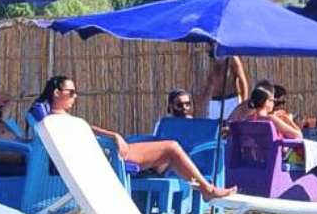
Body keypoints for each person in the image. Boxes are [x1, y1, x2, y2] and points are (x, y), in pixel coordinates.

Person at [35, 75, 234, 199]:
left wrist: (114, 135)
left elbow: (87, 129)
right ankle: (207, 190)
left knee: (168, 152)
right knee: (172, 148)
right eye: (71, 92)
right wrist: (113, 138)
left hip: (106, 151)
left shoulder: (57, 118)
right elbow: (82, 139)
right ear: (56, 93)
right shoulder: (54, 121)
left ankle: (196, 185)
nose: (75, 96)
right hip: (107, 157)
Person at [233, 86, 317, 202]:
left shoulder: (248, 120)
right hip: (282, 160)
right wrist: (287, 120)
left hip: (260, 160)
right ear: (265, 102)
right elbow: (298, 135)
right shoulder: (271, 119)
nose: (274, 103)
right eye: (272, 100)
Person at [197, 54, 248, 120]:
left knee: (231, 127)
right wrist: (202, 100)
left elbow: (242, 81)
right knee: (213, 127)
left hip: (231, 100)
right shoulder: (212, 59)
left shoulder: (232, 58)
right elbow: (209, 82)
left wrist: (243, 103)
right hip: (215, 100)